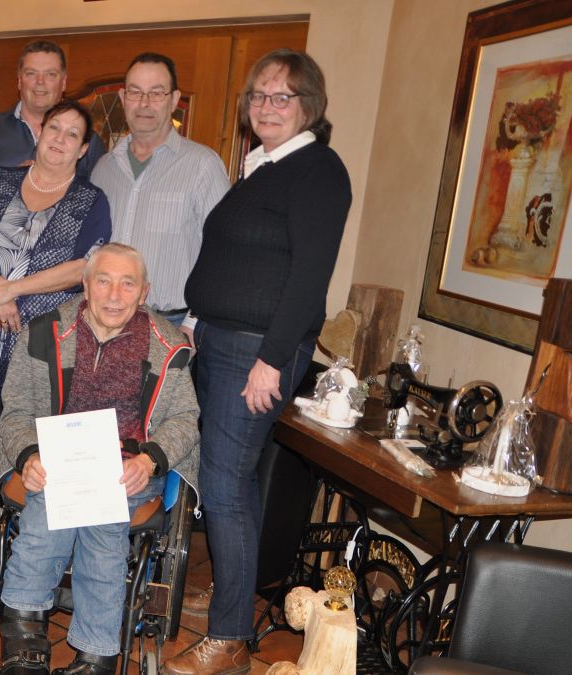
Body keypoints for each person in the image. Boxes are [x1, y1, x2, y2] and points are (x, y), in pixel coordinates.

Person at [162, 49, 352, 675]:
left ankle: (230, 641)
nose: (266, 106)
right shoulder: (263, 168)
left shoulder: (318, 170)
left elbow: (308, 277)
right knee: (224, 480)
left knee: (225, 485)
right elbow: (232, 259)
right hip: (218, 337)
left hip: (255, 350)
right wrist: (194, 321)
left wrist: (272, 360)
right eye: (259, 97)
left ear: (309, 107)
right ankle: (230, 596)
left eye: (281, 97)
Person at [0, 243, 200, 675]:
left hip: (128, 467)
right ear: (85, 286)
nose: (114, 295)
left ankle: (81, 651)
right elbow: (18, 410)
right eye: (104, 281)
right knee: (53, 504)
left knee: (102, 514)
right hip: (55, 455)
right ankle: (41, 646)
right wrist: (29, 455)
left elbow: (185, 420)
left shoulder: (168, 346)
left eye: (127, 284)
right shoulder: (44, 332)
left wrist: (149, 461)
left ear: (143, 292)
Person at [0, 39, 106, 513]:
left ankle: (32, 517)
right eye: (53, 128)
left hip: (45, 337)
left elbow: (84, 267)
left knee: (38, 430)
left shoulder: (90, 200)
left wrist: (12, 289)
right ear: (39, 133)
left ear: (83, 150)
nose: (58, 138)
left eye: (71, 135)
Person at [89, 53, 228, 337]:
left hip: (171, 326)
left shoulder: (203, 165)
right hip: (103, 323)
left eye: (156, 93)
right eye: (136, 92)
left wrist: (193, 321)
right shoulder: (103, 168)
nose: (144, 103)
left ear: (174, 99)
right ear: (123, 97)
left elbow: (224, 250)